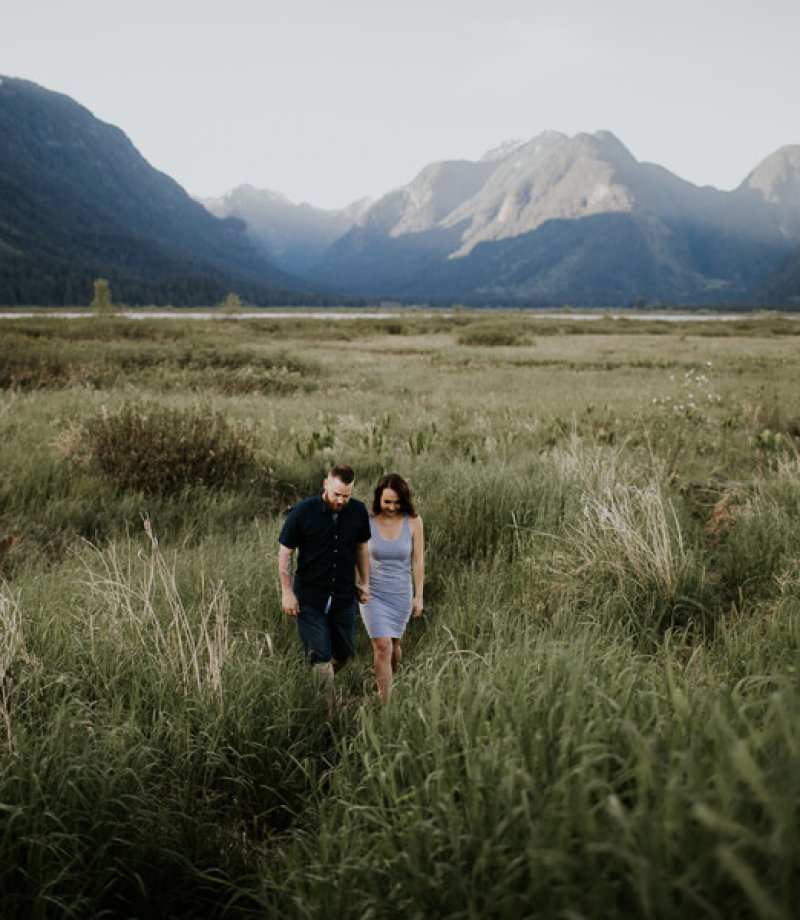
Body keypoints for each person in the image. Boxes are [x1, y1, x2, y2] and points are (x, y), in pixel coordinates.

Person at [278, 464, 371, 698]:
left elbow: (361, 547)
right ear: (325, 484)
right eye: (337, 494)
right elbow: (286, 552)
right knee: (320, 656)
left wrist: (365, 582)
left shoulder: (358, 511)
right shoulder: (302, 512)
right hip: (310, 596)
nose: (341, 501)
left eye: (346, 496)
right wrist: (287, 592)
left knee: (345, 651)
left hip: (343, 594)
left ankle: (319, 686)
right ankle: (328, 716)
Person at [360, 472, 424, 701]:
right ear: (378, 499)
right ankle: (385, 702)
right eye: (387, 502)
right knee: (383, 646)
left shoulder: (414, 522)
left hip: (401, 593)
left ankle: (389, 683)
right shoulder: (366, 521)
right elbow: (358, 554)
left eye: (397, 502)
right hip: (373, 594)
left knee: (394, 646)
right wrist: (361, 584)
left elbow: (418, 561)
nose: (392, 507)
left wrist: (419, 596)